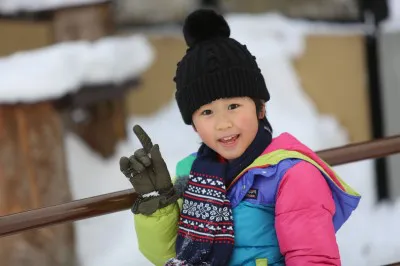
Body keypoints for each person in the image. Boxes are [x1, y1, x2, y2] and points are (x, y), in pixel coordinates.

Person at [119, 9, 361, 266]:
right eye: (207, 112)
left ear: (260, 108)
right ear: (194, 126)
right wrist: (159, 205)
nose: (223, 123)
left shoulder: (291, 174)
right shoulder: (192, 172)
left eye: (233, 106)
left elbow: (313, 259)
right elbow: (171, 257)